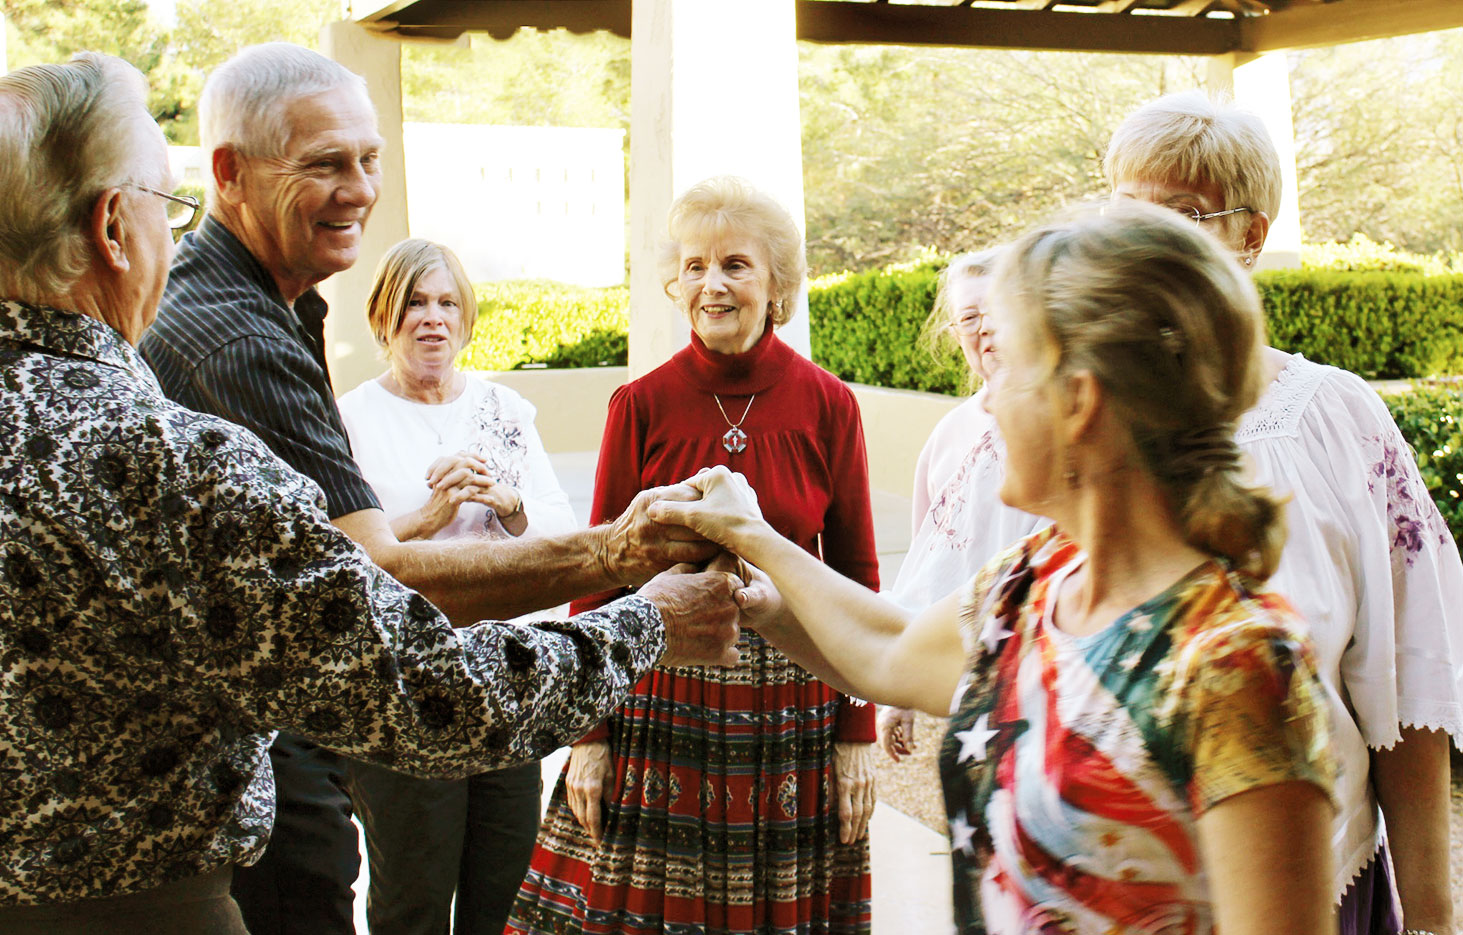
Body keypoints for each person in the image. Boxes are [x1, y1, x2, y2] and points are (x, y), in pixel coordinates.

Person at [0, 52, 742, 935]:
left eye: (369, 159)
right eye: (172, 207)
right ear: (116, 228)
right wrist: (646, 611)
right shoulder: (176, 459)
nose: (358, 190)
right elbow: (422, 690)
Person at [654, 202, 1339, 935]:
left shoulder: (1233, 667)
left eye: (1007, 363)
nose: (985, 396)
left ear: (1078, 399)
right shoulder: (1038, 577)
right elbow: (886, 651)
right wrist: (751, 549)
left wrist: (752, 536)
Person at [1105, 90, 1461, 935]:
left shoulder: (1335, 420)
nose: (1150, 239)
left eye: (1186, 213)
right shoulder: (1069, 411)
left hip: (1310, 888)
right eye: (1128, 210)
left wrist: (1435, 914)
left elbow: (1402, 686)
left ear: (1249, 235)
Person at [508, 177, 880, 935]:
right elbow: (599, 575)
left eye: (735, 264)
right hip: (658, 686)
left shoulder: (828, 405)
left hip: (791, 713)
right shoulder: (640, 404)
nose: (712, 283)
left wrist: (855, 734)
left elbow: (855, 576)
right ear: (674, 282)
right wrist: (589, 735)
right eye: (694, 265)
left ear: (776, 283)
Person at [335, 238, 579, 935]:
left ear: (466, 318)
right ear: (385, 317)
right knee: (412, 893)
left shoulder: (504, 410)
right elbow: (339, 560)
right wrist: (424, 518)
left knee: (503, 887)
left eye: (447, 302)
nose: (432, 318)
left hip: (504, 680)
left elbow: (558, 535)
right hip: (404, 691)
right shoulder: (349, 420)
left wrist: (508, 502)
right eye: (414, 302)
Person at [877, 248, 1045, 762]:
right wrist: (899, 691)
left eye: (995, 311)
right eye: (969, 318)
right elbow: (928, 569)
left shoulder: (1062, 424)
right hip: (967, 686)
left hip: (1042, 675)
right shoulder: (949, 434)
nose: (984, 330)